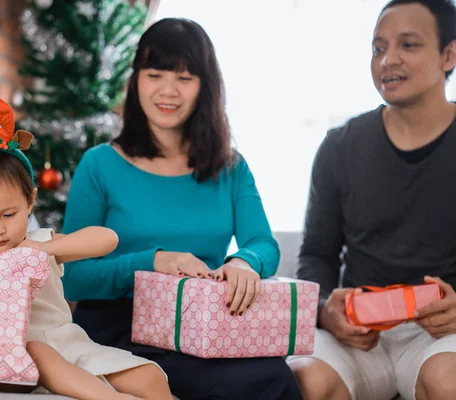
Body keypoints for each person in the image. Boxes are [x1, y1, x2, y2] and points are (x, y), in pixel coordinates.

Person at [61, 18, 303, 400]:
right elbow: (73, 276)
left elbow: (263, 244)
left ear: (205, 86)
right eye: (155, 74)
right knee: (250, 383)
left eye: (185, 78)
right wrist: (153, 262)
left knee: (273, 374)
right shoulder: (99, 165)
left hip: (201, 329)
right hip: (116, 332)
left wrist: (244, 262)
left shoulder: (230, 168)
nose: (168, 91)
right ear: (136, 79)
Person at [0, 95, 173, 400]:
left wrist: (46, 250)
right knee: (36, 350)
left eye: (9, 215)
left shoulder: (39, 244)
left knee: (151, 376)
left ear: (30, 202)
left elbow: (107, 239)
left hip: (69, 347)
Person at [287, 1, 456, 399]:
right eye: (378, 48)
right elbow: (316, 255)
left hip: (442, 334)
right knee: (302, 380)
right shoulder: (340, 146)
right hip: (360, 333)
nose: (388, 60)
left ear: (449, 54)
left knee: (447, 381)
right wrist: (326, 310)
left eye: (408, 45)